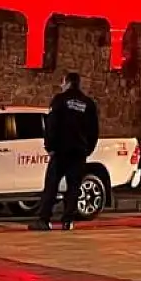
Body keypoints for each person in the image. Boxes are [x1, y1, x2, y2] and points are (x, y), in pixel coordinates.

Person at [33, 72, 100, 231]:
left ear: (68, 83)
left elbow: (52, 125)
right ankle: (68, 221)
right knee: (74, 187)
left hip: (60, 151)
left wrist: (50, 147)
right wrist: (87, 149)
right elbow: (94, 130)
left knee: (51, 185)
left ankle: (44, 220)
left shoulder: (60, 100)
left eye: (62, 82)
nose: (61, 86)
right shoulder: (88, 104)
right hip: (79, 152)